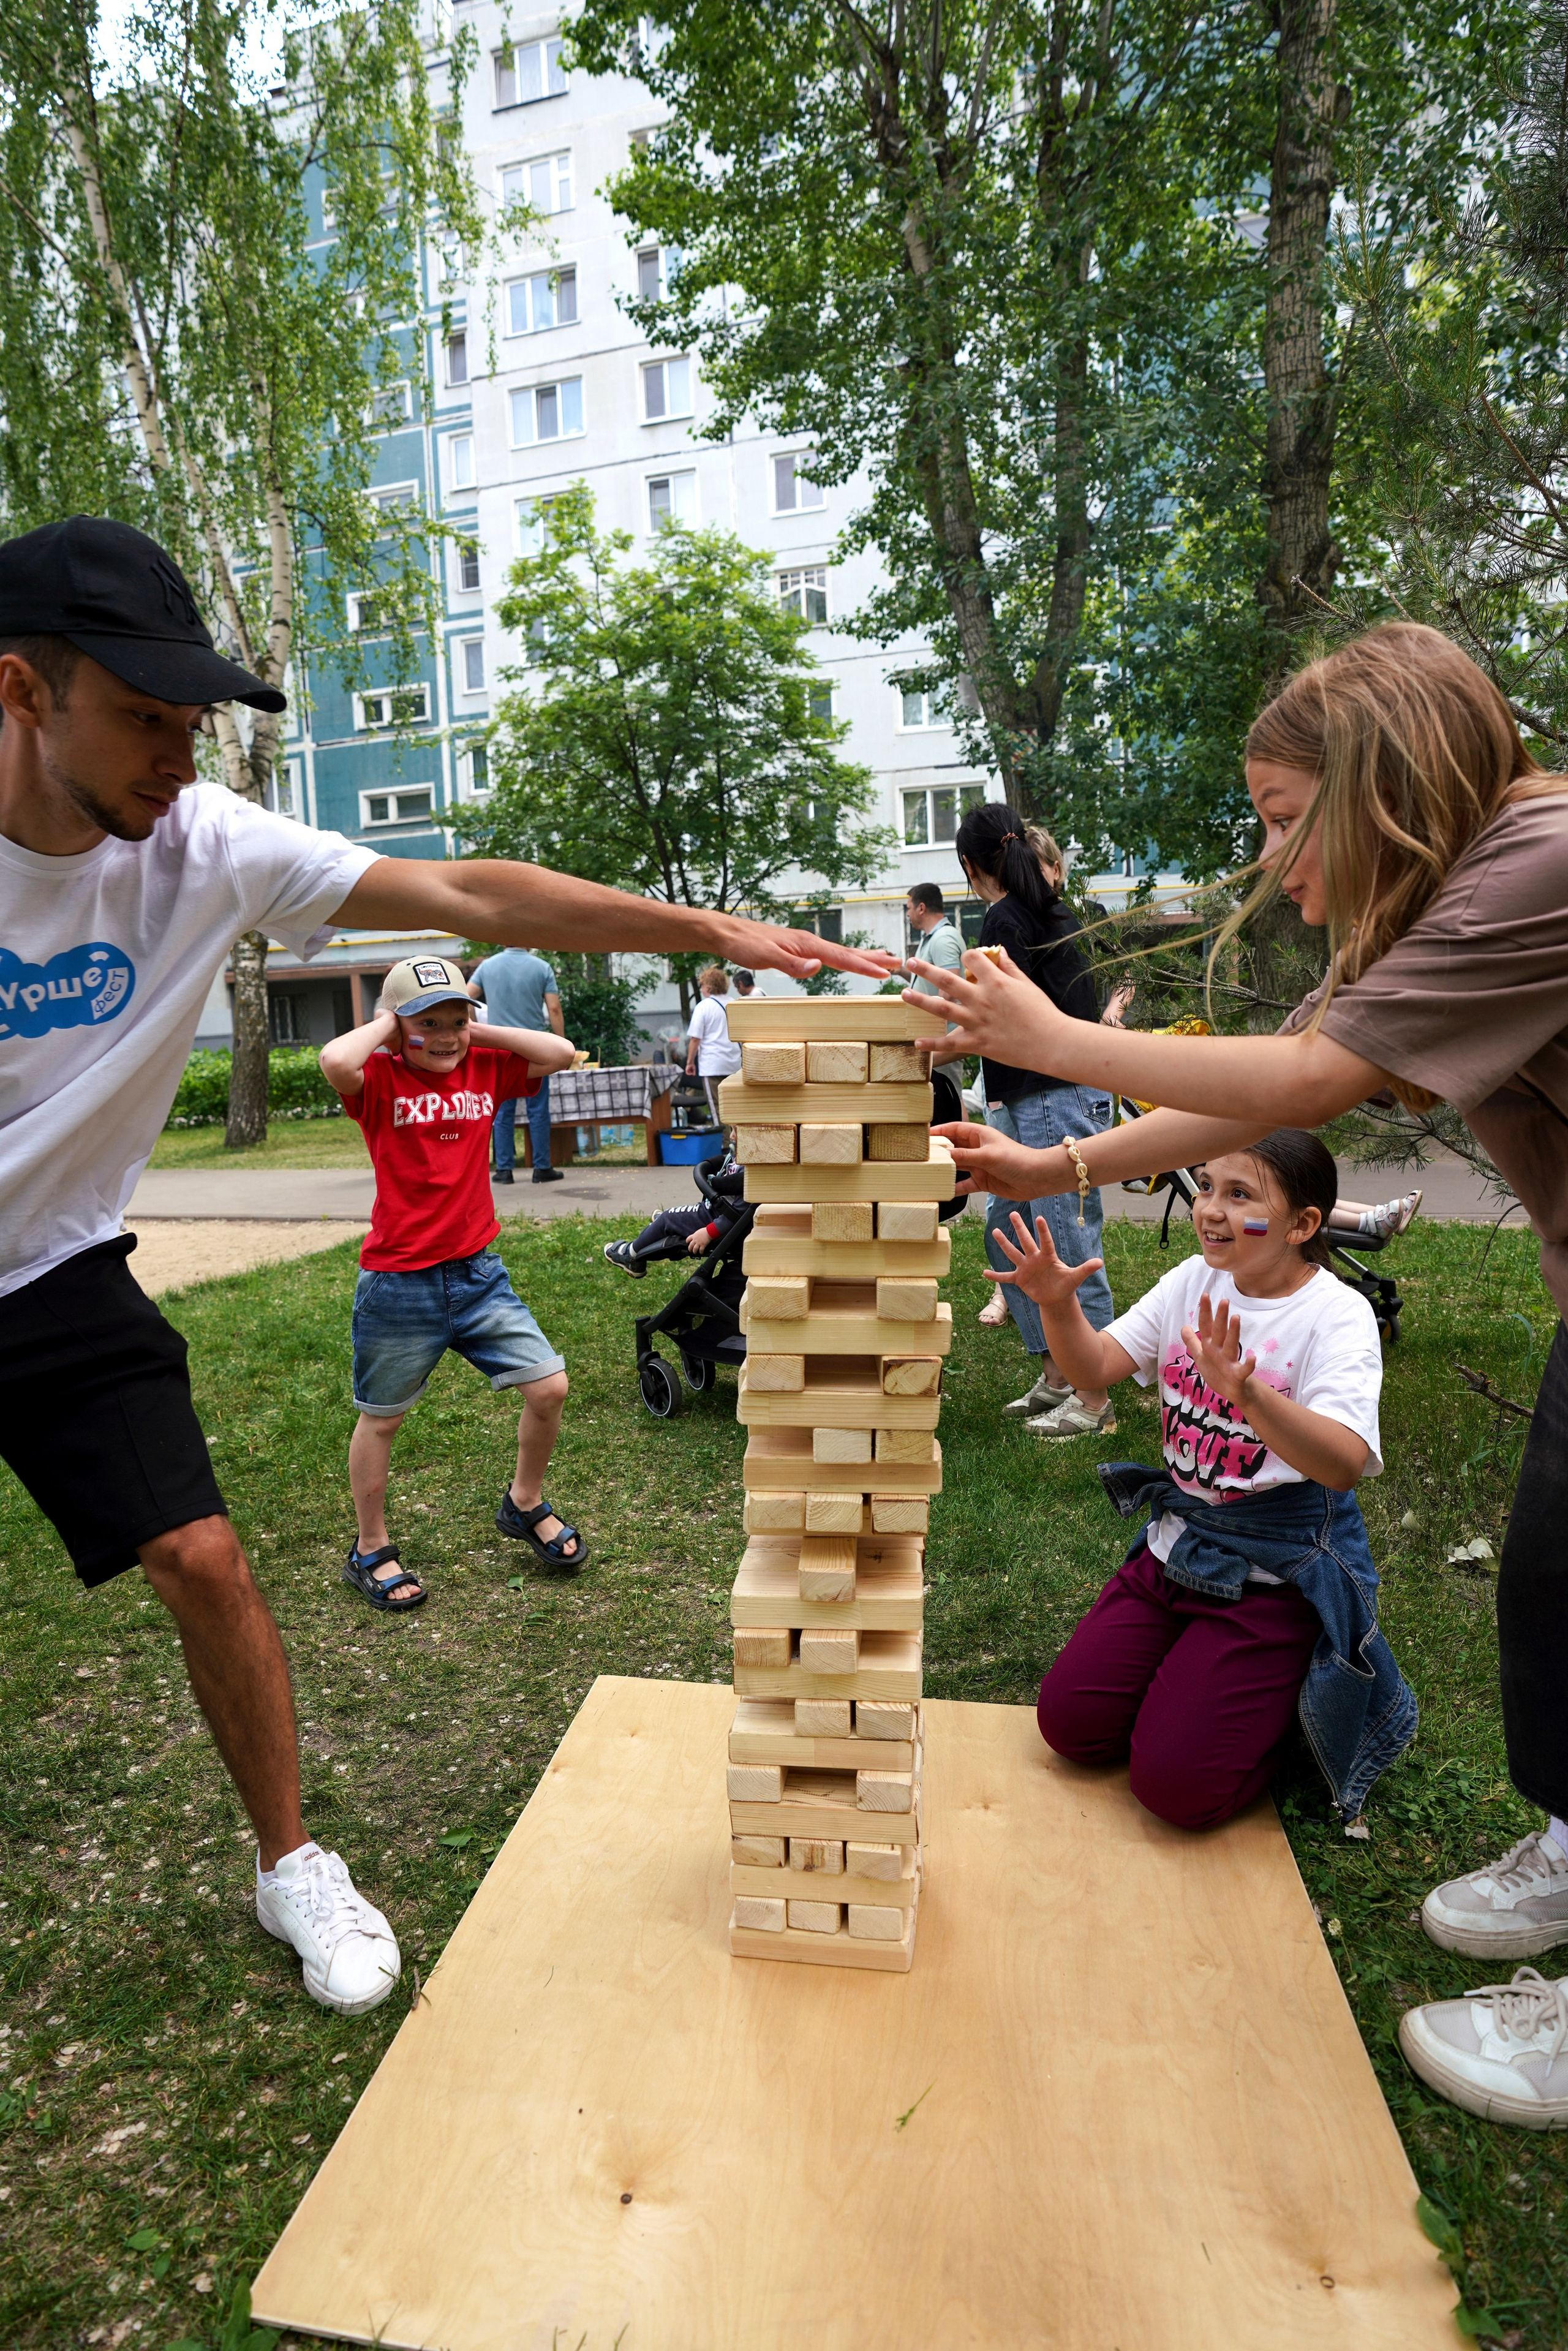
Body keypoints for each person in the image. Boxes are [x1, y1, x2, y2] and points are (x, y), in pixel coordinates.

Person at [0, 516, 889, 2021]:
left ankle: (291, 1865)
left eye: (194, 720)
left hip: (53, 1269)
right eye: (145, 716)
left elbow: (473, 893)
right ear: (23, 689)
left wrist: (708, 927)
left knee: (202, 1555)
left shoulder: (207, 846)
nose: (178, 753)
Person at [908, 619, 1568, 2126]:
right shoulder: (1443, 904)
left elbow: (1304, 1084)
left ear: (1385, 781)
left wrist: (1054, 1037)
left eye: (1282, 817)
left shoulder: (1536, 862)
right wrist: (1053, 1158)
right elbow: (1260, 1094)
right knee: (1550, 1591)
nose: (1270, 861)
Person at [995, 1129, 1412, 1829]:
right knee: (1071, 1727)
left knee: (1175, 1790)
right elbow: (1093, 1367)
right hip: (1176, 1551)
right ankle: (1192, 1677)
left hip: (1270, 1581)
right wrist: (1056, 1304)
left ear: (1301, 1224)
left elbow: (1342, 1462)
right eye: (1208, 1186)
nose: (1210, 1208)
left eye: (1240, 1194)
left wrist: (1248, 1394)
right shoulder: (1192, 1281)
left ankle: (1280, 1709)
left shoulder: (1335, 1314)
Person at [321, 959, 584, 1595]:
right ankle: (369, 1547)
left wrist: (471, 1032)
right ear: (393, 1027)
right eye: (427, 1024)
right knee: (382, 1419)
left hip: (477, 1275)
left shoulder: (484, 1067)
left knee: (549, 1387)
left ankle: (523, 1502)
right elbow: (334, 1059)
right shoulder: (379, 1078)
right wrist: (390, 1029)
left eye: (456, 1020)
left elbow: (561, 1052)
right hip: (398, 1282)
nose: (445, 1037)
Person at [953, 801, 1117, 1438]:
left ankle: (1094, 1395)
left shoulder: (1007, 918)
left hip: (1056, 1096)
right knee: (1008, 1228)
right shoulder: (1041, 909)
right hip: (1035, 1097)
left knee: (1063, 1243)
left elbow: (1003, 1018)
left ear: (971, 865)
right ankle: (1058, 1373)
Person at [468, 946, 565, 1185]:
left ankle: (504, 1169)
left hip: (500, 1048)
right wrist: (561, 1044)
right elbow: (554, 1008)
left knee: (502, 1110)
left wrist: (474, 1029)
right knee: (538, 1109)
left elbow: (466, 996)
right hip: (535, 1048)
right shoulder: (542, 967)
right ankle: (542, 1167)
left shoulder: (487, 966)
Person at [603, 1142, 745, 1274]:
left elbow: (738, 1214)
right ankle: (665, 1225)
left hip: (719, 1220)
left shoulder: (750, 1171)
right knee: (672, 1217)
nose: (732, 1136)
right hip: (717, 1212)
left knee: (667, 1219)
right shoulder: (745, 1154)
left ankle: (630, 1255)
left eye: (736, 1131)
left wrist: (709, 1233)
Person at [685, 964, 741, 1122]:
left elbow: (695, 1039)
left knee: (717, 1108)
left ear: (708, 987)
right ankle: (737, 1137)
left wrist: (690, 1062)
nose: (701, 989)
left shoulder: (703, 1007)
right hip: (734, 1064)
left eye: (702, 985)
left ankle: (724, 1138)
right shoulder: (735, 1004)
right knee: (735, 1108)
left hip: (712, 1065)